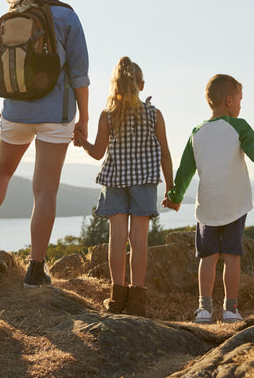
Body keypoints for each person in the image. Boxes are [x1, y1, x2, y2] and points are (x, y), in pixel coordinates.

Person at [0, 0, 90, 288]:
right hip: (55, 114)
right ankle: (35, 270)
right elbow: (79, 76)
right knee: (45, 190)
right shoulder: (67, 16)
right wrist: (83, 120)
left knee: (2, 170)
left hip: (15, 110)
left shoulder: (15, 13)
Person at [164, 74, 254, 323]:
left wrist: (176, 196)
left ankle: (204, 309)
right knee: (232, 258)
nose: (241, 106)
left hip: (208, 207)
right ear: (230, 100)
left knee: (208, 259)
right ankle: (231, 309)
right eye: (241, 100)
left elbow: (185, 171)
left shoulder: (196, 133)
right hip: (235, 204)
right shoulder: (239, 126)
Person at [73, 57, 174, 317]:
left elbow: (97, 153)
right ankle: (138, 300)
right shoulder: (155, 114)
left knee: (116, 239)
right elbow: (165, 154)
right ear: (141, 84)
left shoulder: (108, 115)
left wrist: (82, 142)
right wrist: (171, 188)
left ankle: (116, 297)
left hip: (115, 180)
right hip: (144, 182)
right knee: (139, 241)